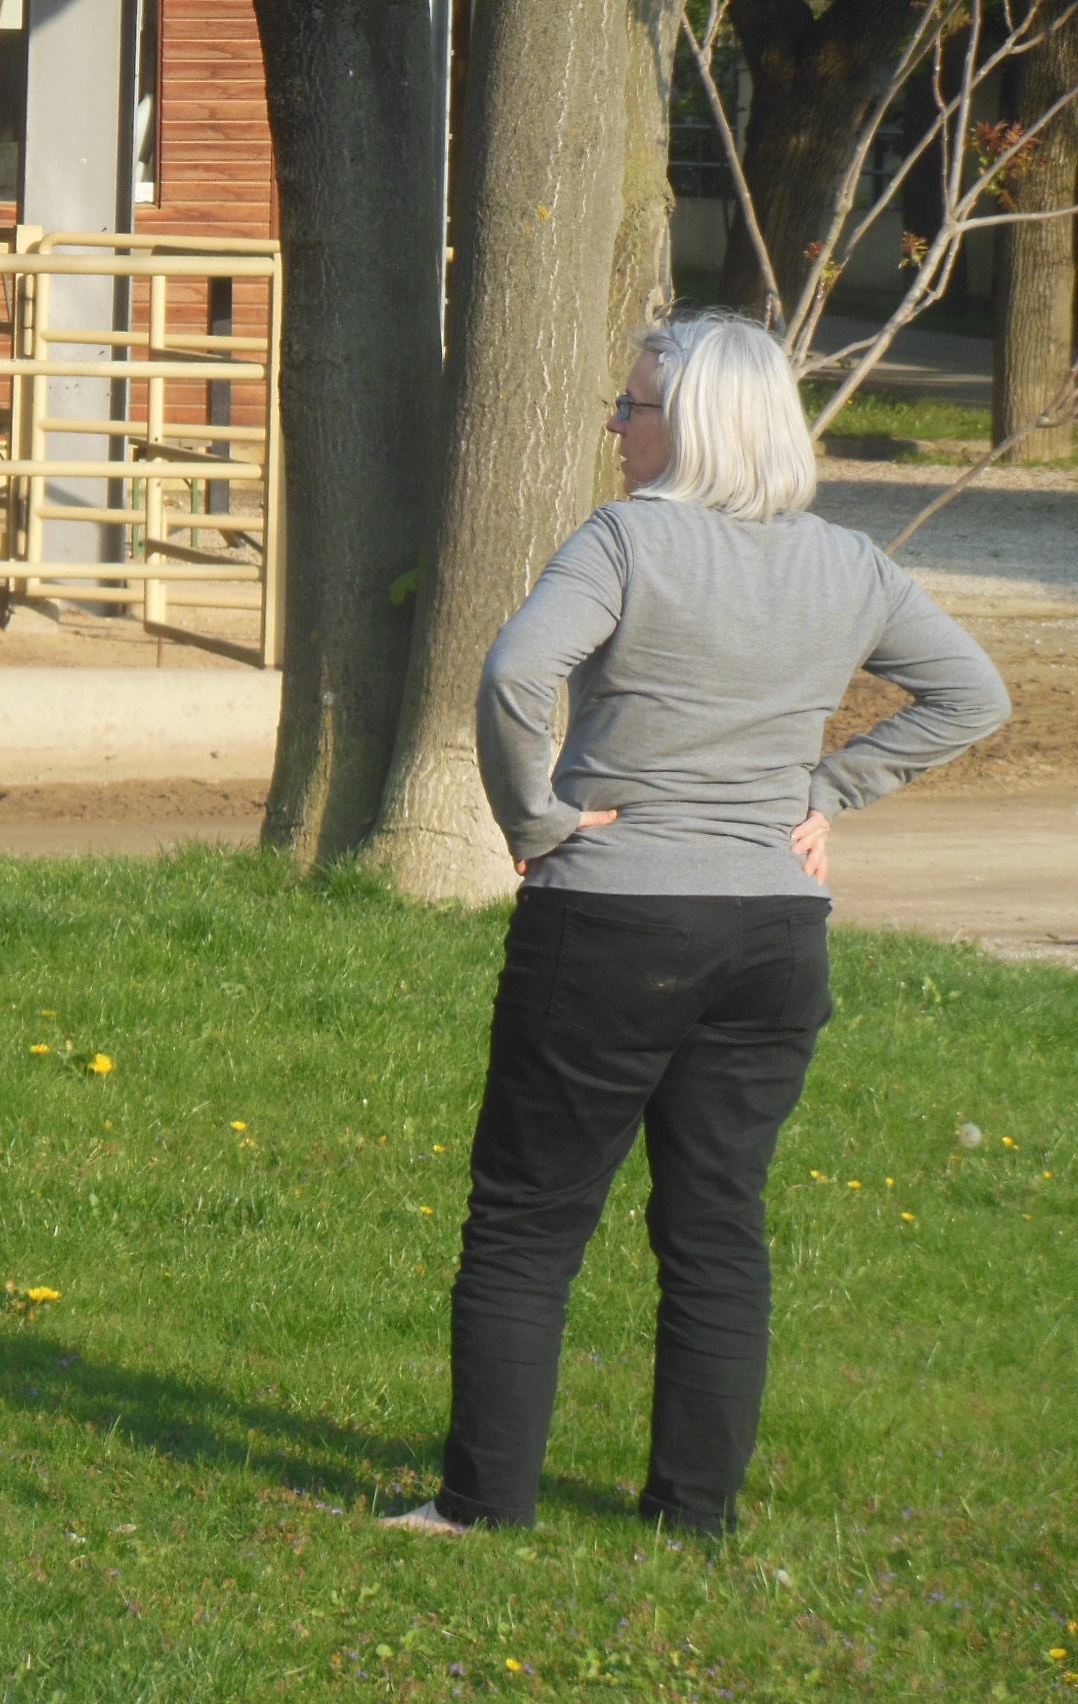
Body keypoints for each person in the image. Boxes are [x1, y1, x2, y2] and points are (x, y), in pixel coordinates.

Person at [385, 311, 1009, 1539]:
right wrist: (824, 794)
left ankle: (482, 1509)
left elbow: (514, 675)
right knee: (717, 1225)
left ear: (692, 425)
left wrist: (535, 822)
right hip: (773, 931)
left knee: (527, 1221)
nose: (615, 426)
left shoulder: (625, 539)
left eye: (631, 407)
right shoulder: (849, 564)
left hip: (612, 922)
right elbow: (970, 695)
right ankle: (692, 1521)